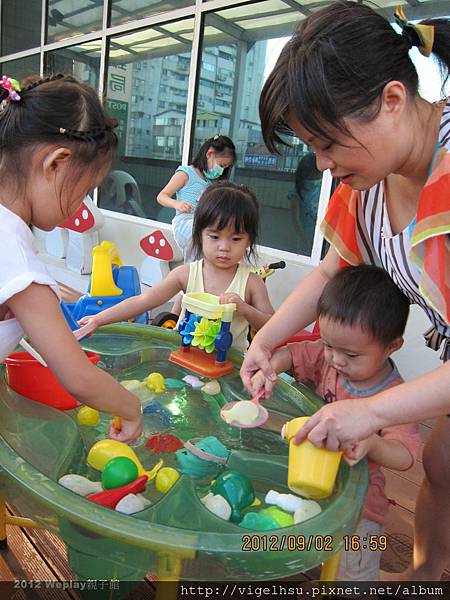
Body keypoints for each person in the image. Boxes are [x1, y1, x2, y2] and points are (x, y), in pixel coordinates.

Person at [241, 2, 450, 580]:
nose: (322, 164)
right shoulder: (369, 184)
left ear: (392, 100)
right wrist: (267, 342)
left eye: (329, 143)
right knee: (442, 464)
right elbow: (329, 273)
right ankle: (428, 575)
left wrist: (370, 411)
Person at [251, 265, 421, 580]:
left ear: (392, 346)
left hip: (359, 505)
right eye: (329, 345)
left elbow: (405, 455)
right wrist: (269, 368)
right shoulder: (329, 357)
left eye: (351, 355)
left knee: (353, 572)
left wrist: (372, 443)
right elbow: (296, 354)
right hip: (312, 479)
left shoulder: (396, 396)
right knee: (314, 549)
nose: (336, 359)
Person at [0, 73, 142, 443]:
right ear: (55, 164)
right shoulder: (17, 258)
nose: (79, 207)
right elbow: (78, 377)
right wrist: (131, 408)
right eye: (83, 191)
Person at [76, 182, 274, 354]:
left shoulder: (251, 283)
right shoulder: (186, 274)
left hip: (228, 369)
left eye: (236, 239)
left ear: (249, 240)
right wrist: (98, 319)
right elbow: (144, 301)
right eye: (214, 237)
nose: (224, 247)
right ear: (199, 234)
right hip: (184, 361)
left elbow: (272, 325)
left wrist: (245, 309)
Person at [157, 135, 236, 262]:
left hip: (203, 223)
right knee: (204, 237)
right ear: (209, 154)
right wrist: (177, 204)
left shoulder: (211, 183)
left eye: (225, 168)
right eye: (221, 165)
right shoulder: (186, 173)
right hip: (185, 221)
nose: (221, 171)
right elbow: (161, 196)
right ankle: (193, 269)